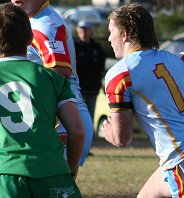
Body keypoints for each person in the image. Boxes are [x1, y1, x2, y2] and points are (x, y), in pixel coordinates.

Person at [103, 3, 184, 197]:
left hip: (183, 161)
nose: (108, 38)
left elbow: (122, 138)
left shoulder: (120, 74)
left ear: (125, 35)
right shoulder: (181, 60)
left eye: (111, 32)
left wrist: (107, 131)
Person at [0, 3, 84, 197]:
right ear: (31, 38)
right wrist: (70, 170)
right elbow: (77, 132)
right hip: (52, 172)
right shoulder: (53, 78)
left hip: (6, 174)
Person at [11, 0, 94, 166]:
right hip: (58, 117)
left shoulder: (45, 24)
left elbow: (59, 72)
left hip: (61, 120)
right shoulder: (31, 20)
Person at [74, 20, 106, 121]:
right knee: (77, 116)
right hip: (78, 88)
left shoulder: (97, 47)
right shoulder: (75, 47)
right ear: (78, 30)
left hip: (92, 88)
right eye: (82, 29)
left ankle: (89, 137)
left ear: (91, 31)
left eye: (86, 29)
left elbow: (100, 66)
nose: (84, 31)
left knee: (89, 117)